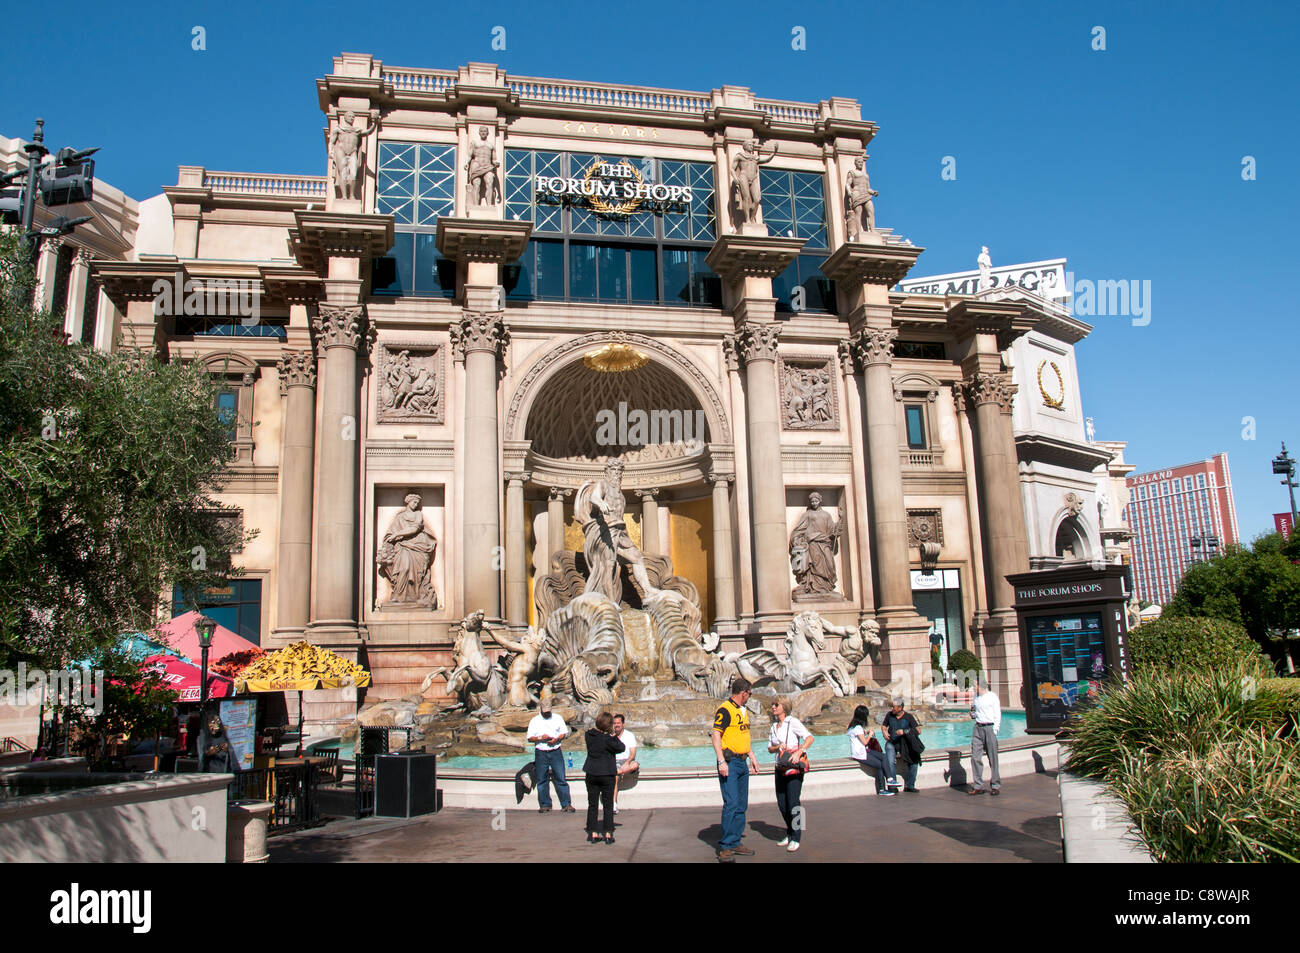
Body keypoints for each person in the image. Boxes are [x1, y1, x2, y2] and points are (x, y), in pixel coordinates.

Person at [711, 677, 760, 862]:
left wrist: (752, 756)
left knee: (741, 804)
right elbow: (716, 736)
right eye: (749, 694)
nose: (749, 697)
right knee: (731, 803)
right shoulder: (725, 709)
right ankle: (725, 846)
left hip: (742, 762)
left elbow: (744, 736)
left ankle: (735, 841)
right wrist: (721, 761)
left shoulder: (743, 710)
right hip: (729, 762)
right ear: (743, 693)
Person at [767, 696, 813, 852]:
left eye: (776, 704)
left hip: (793, 767)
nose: (773, 707)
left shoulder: (792, 722)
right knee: (782, 803)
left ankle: (797, 836)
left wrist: (800, 751)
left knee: (794, 802)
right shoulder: (774, 727)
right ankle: (789, 832)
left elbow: (809, 738)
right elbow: (770, 748)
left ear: (784, 707)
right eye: (772, 704)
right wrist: (778, 746)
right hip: (779, 767)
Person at [526, 689, 574, 813]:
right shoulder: (534, 721)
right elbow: (530, 738)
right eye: (545, 712)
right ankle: (545, 804)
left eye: (548, 712)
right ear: (541, 710)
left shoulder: (557, 718)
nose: (547, 714)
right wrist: (541, 738)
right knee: (542, 779)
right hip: (541, 751)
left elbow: (564, 733)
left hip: (556, 750)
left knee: (561, 778)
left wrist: (557, 739)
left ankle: (566, 804)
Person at [583, 711, 625, 844]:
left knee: (592, 804)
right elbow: (621, 747)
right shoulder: (608, 740)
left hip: (591, 773)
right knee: (608, 805)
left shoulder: (589, 735)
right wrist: (613, 735)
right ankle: (608, 833)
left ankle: (593, 833)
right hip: (606, 774)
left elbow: (594, 734)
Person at [847, 705, 894, 796]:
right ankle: (882, 789)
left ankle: (889, 779)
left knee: (883, 756)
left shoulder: (852, 726)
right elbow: (865, 742)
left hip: (861, 752)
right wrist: (870, 735)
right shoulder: (858, 728)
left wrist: (865, 732)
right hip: (860, 754)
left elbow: (857, 735)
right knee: (880, 765)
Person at [968, 677, 1002, 796]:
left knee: (993, 758)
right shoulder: (975, 697)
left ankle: (995, 785)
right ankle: (978, 785)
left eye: (975, 685)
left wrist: (995, 730)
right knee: (975, 757)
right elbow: (974, 710)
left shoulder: (992, 697)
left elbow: (997, 714)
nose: (973, 687)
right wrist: (973, 714)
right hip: (978, 728)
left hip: (989, 728)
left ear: (981, 686)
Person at [881, 697, 922, 792]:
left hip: (906, 744)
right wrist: (884, 732)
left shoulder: (908, 717)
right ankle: (893, 786)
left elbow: (918, 731)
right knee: (890, 762)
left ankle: (910, 786)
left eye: (893, 707)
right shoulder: (889, 715)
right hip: (892, 743)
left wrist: (904, 731)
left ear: (900, 708)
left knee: (914, 762)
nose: (892, 709)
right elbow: (883, 725)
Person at [611, 714, 639, 814]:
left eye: (618, 723)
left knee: (635, 765)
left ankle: (619, 771)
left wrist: (627, 763)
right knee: (615, 776)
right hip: (614, 761)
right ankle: (614, 803)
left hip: (626, 761)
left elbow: (633, 753)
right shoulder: (610, 736)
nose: (616, 725)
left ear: (623, 724)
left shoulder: (629, 735)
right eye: (614, 723)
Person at [198, 708, 237, 774]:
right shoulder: (204, 736)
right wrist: (220, 747)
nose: (215, 725)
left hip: (223, 769)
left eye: (217, 722)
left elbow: (230, 750)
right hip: (210, 770)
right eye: (212, 722)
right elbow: (206, 752)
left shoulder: (223, 735)